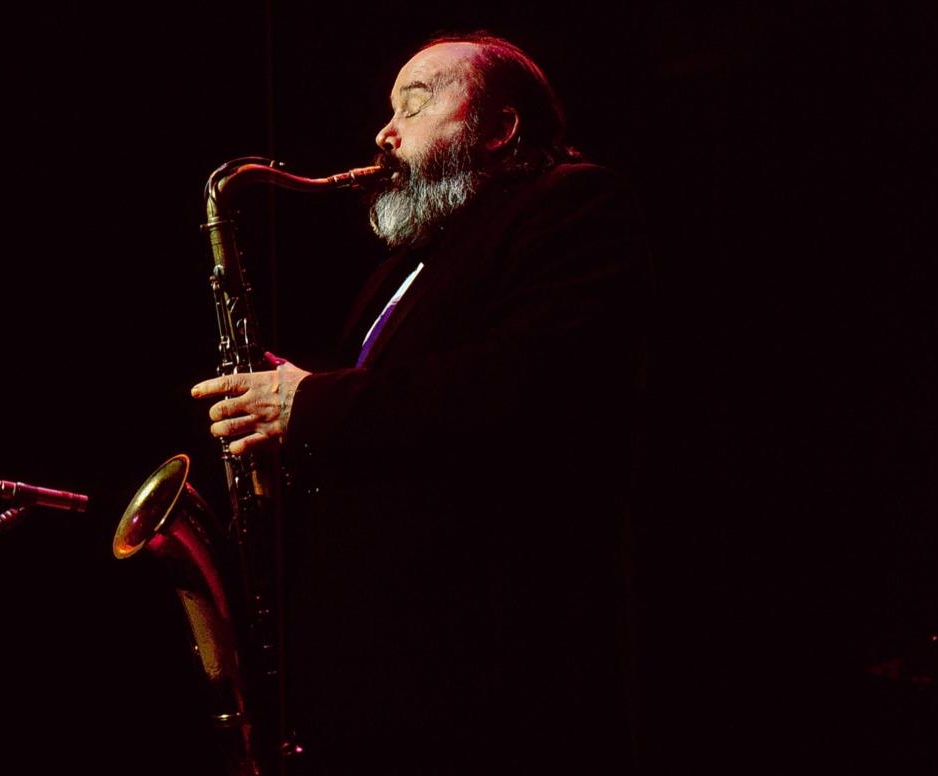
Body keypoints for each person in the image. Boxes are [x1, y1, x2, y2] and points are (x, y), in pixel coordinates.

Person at [192, 33, 652, 775]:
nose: (384, 132)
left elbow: (527, 383)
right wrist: (290, 414)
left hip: (493, 666)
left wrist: (314, 404)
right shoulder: (409, 265)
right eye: (387, 108)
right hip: (382, 664)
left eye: (416, 101)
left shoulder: (575, 204)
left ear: (500, 129)